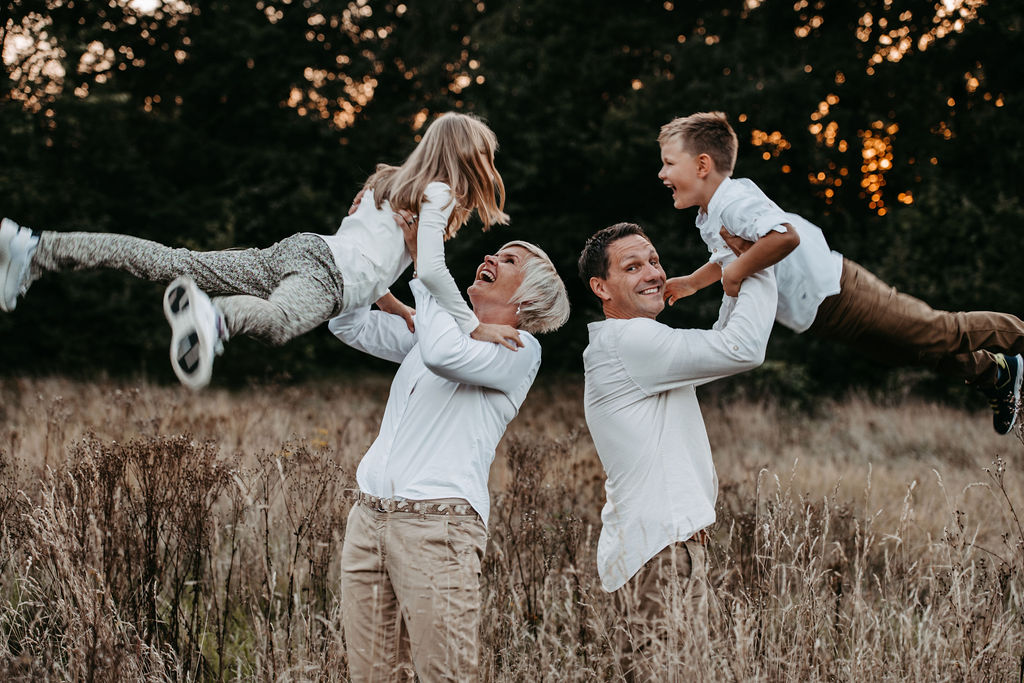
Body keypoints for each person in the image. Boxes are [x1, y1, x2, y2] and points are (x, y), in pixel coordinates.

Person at [0, 111, 520, 390]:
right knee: (277, 322)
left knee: (175, 261)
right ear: (465, 161)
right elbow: (429, 268)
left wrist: (399, 310)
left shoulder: (388, 181)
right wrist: (471, 326)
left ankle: (35, 248)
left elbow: (373, 262)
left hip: (302, 251)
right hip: (327, 278)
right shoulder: (437, 194)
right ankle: (214, 317)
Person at [658, 111, 1024, 434]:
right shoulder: (711, 214)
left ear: (702, 165)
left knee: (941, 331)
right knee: (913, 351)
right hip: (822, 315)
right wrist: (693, 281)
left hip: (841, 293)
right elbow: (728, 256)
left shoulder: (734, 201)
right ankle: (996, 374)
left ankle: (1012, 346)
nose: (662, 173)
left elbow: (785, 237)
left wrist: (736, 272)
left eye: (669, 163)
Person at [330, 212, 570, 682]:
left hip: (437, 531)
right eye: (496, 252)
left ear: (529, 299)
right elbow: (349, 326)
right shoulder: (441, 330)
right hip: (369, 520)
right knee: (372, 676)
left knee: (445, 675)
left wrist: (425, 269)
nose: (490, 257)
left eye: (509, 260)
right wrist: (374, 255)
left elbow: (443, 355)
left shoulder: (519, 349)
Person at [578, 222, 776, 678]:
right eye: (632, 266)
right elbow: (742, 350)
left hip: (665, 548)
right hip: (662, 552)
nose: (652, 273)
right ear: (601, 288)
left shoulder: (633, 348)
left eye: (653, 260)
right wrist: (757, 265)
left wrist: (734, 279)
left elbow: (720, 346)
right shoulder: (632, 342)